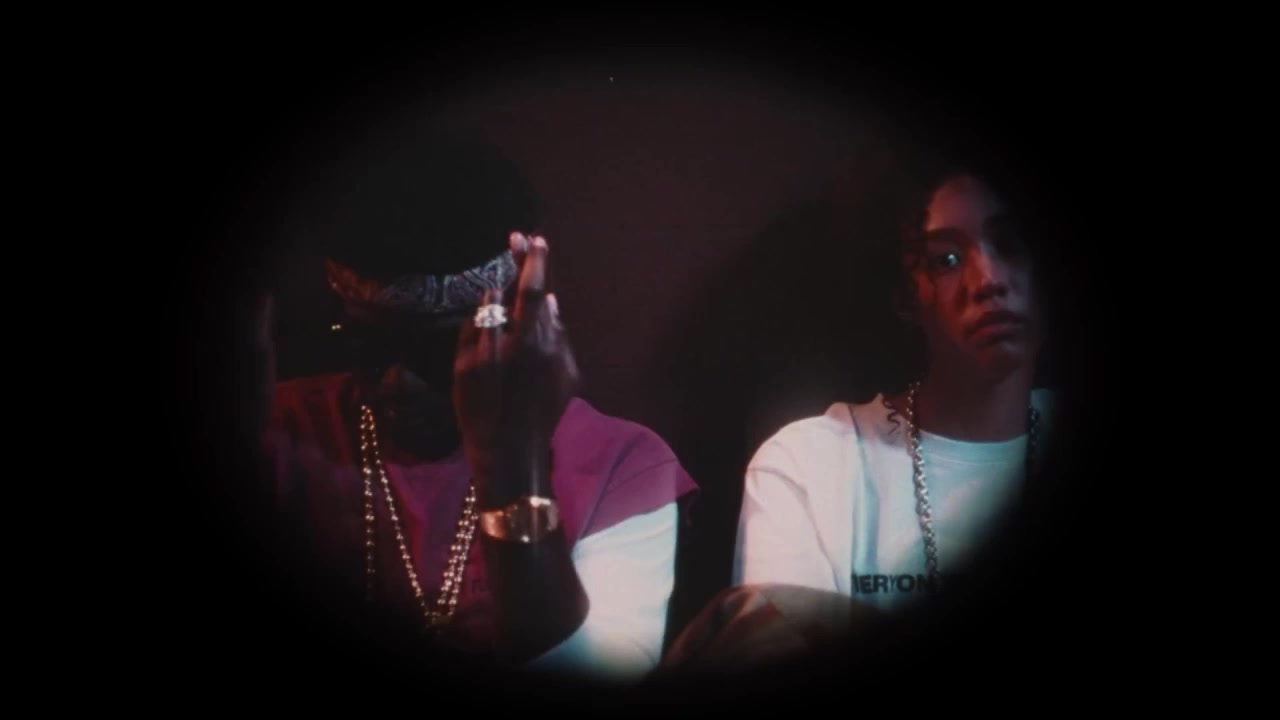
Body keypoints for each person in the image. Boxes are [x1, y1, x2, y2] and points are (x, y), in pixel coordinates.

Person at [261, 131, 697, 682]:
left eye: (437, 351)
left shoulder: (622, 465)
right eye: (367, 345)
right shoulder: (278, 427)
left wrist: (511, 463)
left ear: (524, 326)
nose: (396, 384)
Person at [733, 150, 1059, 615]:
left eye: (1011, 243)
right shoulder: (810, 467)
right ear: (906, 297)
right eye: (947, 260)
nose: (988, 280)